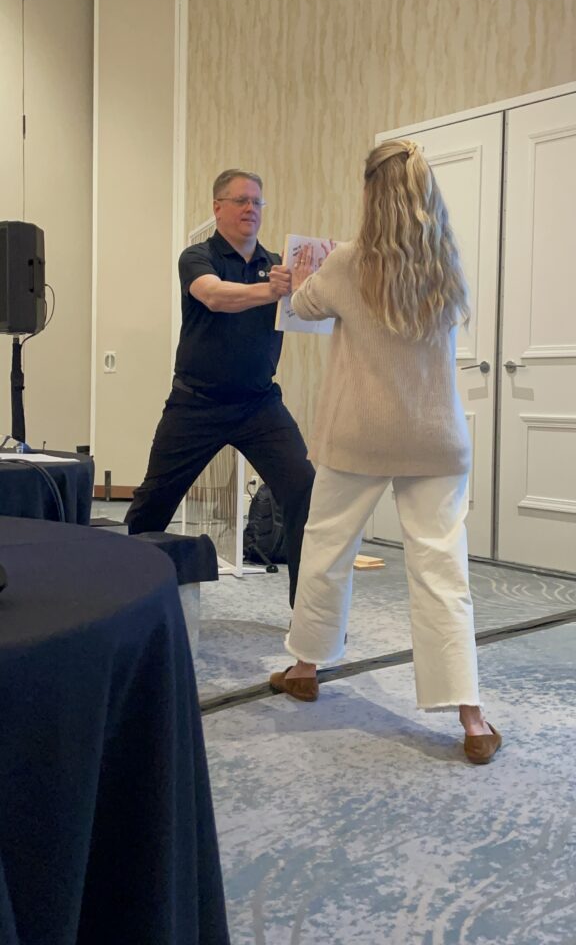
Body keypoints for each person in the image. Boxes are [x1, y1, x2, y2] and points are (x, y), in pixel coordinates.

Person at [269, 140, 502, 764]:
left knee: (327, 547)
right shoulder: (446, 266)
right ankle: (472, 719)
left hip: (360, 436)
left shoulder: (346, 263)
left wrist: (296, 276)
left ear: (370, 194)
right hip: (435, 437)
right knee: (442, 572)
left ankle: (304, 666)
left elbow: (304, 303)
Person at [125, 168, 315, 608]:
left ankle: (310, 622)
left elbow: (309, 311)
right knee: (152, 505)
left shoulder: (276, 265)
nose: (251, 209)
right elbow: (215, 296)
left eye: (257, 202)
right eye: (241, 201)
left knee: (305, 490)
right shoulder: (197, 257)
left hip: (260, 407)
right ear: (218, 207)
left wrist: (311, 287)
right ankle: (125, 601)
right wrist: (271, 291)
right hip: (196, 404)